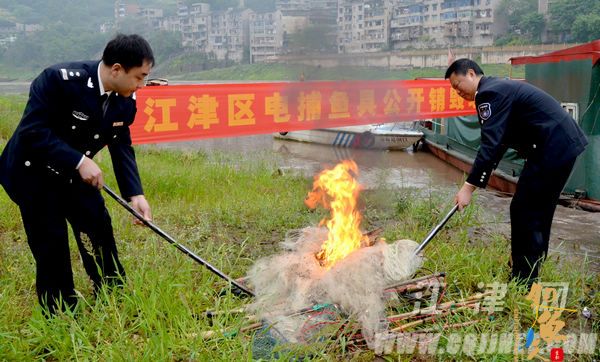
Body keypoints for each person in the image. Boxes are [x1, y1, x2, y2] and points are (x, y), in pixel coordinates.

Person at [0, 33, 155, 314]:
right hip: (33, 172)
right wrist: (78, 161)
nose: (142, 85)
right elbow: (32, 132)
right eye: (139, 77)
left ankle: (111, 293)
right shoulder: (59, 81)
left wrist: (135, 194)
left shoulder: (125, 99)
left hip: (74, 173)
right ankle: (60, 312)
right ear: (117, 69)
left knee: (97, 225)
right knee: (51, 243)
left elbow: (121, 144)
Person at [445, 59, 588, 285]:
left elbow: (490, 145)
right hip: (560, 145)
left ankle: (524, 279)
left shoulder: (488, 94)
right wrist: (481, 177)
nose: (457, 92)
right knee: (537, 209)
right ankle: (529, 267)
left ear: (471, 73)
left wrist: (468, 187)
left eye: (457, 84)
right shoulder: (497, 88)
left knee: (525, 209)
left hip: (551, 146)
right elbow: (499, 143)